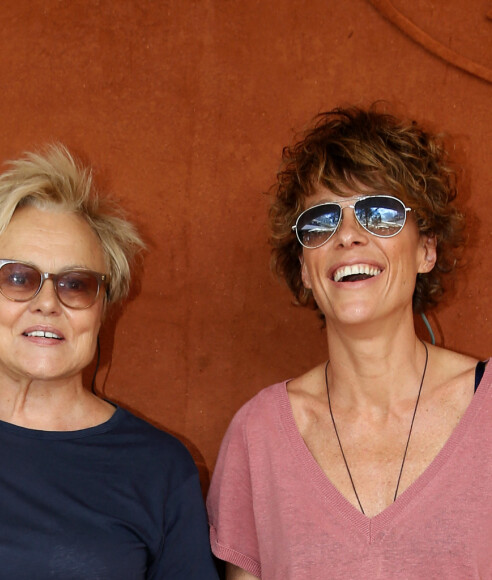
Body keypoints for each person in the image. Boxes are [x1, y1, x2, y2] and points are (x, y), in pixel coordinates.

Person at [207, 106, 491, 579]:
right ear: (303, 268)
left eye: (379, 213)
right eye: (320, 221)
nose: (348, 236)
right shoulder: (258, 437)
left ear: (427, 249)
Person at [0, 145, 218, 579]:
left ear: (102, 309)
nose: (47, 303)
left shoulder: (159, 469)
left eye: (76, 285)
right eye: (18, 278)